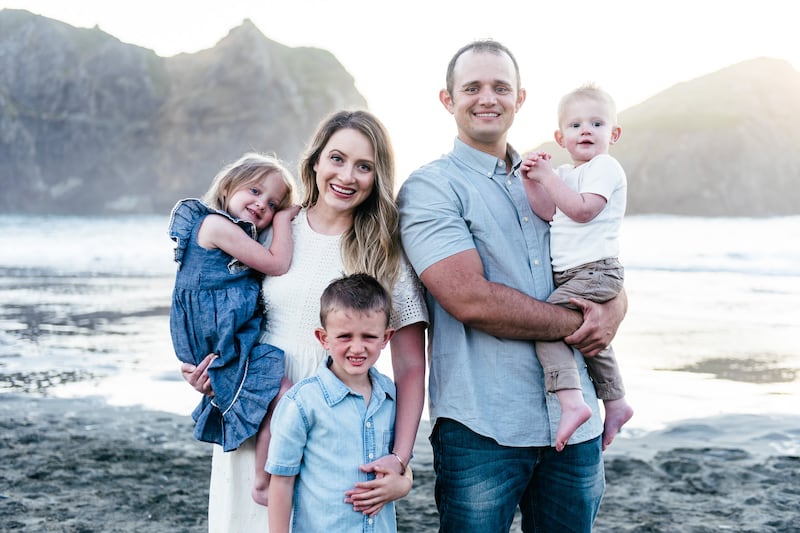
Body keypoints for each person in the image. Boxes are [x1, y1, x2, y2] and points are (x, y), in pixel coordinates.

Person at [397, 40, 627, 532]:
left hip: (577, 425)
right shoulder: (431, 188)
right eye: (472, 88)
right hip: (484, 427)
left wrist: (615, 308)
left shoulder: (553, 178)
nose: (488, 98)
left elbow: (599, 259)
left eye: (501, 87)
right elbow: (470, 300)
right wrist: (580, 321)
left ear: (520, 99)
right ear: (447, 99)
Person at [181, 110, 428, 532]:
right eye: (337, 158)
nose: (347, 176)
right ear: (315, 161)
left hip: (339, 420)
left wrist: (400, 461)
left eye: (363, 166)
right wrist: (206, 369)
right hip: (257, 401)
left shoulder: (385, 254)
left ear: (377, 175)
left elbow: (409, 366)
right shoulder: (272, 230)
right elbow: (218, 308)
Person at [168, 152, 299, 506]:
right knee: (282, 392)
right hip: (218, 338)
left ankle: (260, 476)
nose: (261, 204)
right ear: (228, 186)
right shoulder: (214, 225)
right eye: (254, 190)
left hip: (222, 334)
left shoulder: (236, 233)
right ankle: (262, 480)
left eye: (273, 203)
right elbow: (277, 263)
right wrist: (285, 220)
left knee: (277, 393)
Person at [519, 83, 634, 452]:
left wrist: (548, 178)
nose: (586, 130)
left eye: (597, 124)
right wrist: (532, 180)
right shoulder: (567, 174)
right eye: (575, 125)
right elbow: (550, 212)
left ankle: (572, 402)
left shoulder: (605, 167)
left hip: (596, 270)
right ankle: (616, 403)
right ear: (560, 137)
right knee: (589, 337)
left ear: (613, 134)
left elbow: (583, 210)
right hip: (574, 274)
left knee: (545, 324)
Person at [267, 273, 399, 533]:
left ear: (385, 337)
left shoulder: (389, 396)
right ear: (323, 338)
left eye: (369, 337)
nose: (357, 348)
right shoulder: (302, 403)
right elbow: (281, 481)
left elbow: (398, 464)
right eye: (345, 336)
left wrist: (403, 483)